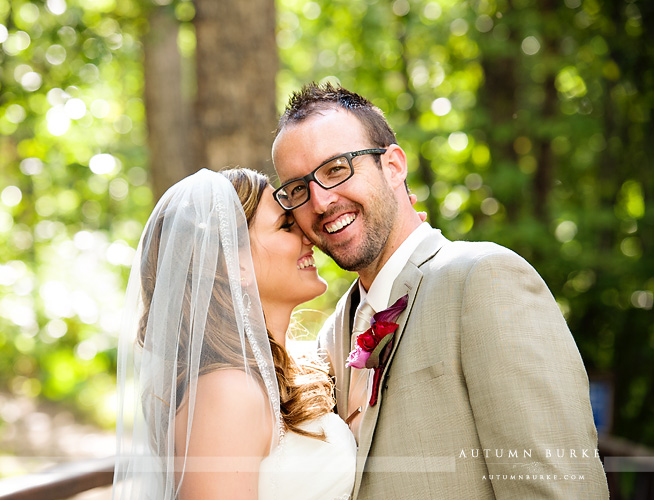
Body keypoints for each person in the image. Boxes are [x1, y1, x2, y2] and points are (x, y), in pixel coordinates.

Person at [271, 82, 609, 499]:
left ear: (393, 166)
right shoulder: (333, 333)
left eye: (336, 168)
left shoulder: (486, 281)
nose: (320, 202)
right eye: (298, 189)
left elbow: (557, 489)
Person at [112, 168, 358, 500]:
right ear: (233, 264)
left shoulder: (279, 371)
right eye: (286, 225)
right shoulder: (227, 391)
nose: (307, 234)